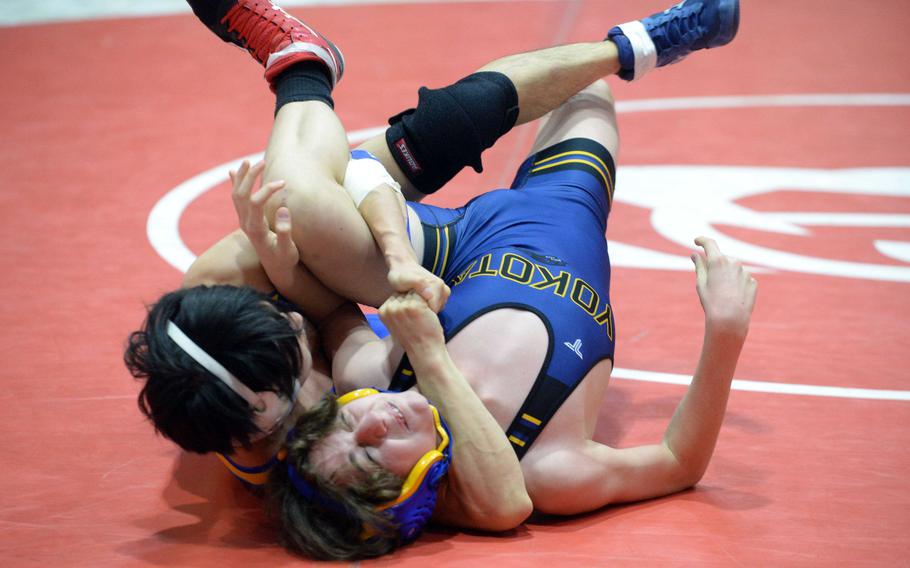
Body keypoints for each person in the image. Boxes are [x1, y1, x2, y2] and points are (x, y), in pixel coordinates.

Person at [126, 0, 754, 559]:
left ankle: (301, 69)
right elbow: (518, 500)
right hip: (551, 220)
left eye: (349, 423)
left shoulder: (361, 389)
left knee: (290, 217)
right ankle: (622, 49)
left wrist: (295, 255)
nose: (367, 422)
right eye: (368, 450)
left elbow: (329, 308)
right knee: (576, 91)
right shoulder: (539, 471)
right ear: (274, 406)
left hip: (445, 254)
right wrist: (724, 332)